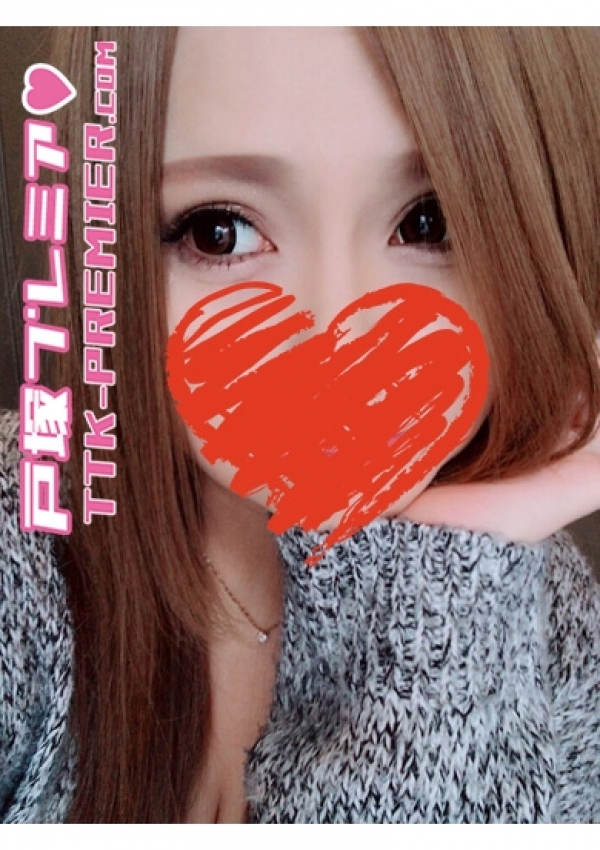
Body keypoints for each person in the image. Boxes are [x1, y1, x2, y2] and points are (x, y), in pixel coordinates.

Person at [1, 26, 599, 823]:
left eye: (430, 223)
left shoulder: (560, 636)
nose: (335, 334)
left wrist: (444, 573)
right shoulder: (22, 540)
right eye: (220, 232)